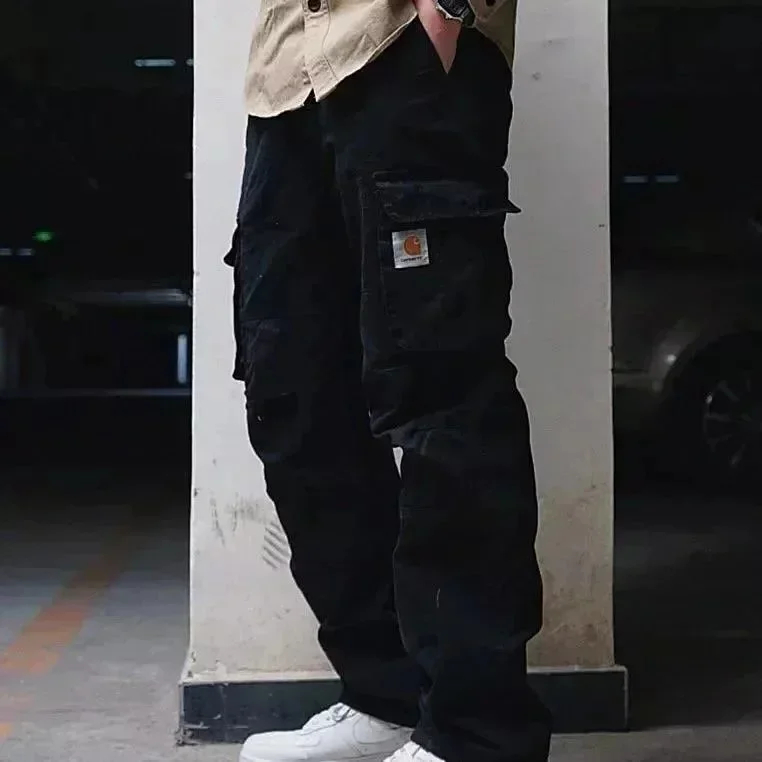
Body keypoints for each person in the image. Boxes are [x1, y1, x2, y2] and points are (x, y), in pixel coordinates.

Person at [226, 0, 552, 760]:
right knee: (295, 391)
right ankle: (386, 694)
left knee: (440, 389)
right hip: (286, 79)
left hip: (400, 48)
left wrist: (449, 12)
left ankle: (478, 734)